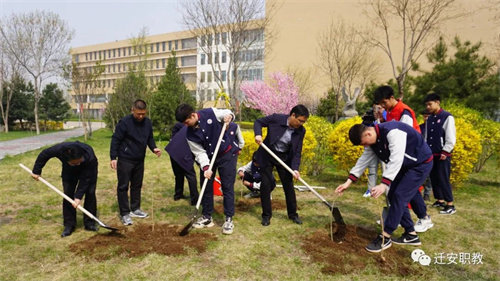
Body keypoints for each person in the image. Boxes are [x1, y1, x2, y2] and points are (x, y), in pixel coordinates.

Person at [336, 122, 433, 253]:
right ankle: (411, 234)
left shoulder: (393, 132)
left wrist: (384, 184)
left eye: (364, 143)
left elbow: (396, 158)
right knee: (394, 195)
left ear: (368, 133)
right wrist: (348, 182)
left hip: (420, 164)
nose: (366, 146)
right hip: (405, 166)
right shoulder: (372, 141)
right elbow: (363, 160)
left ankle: (385, 237)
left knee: (399, 195)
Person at [174, 104, 243, 235]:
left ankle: (228, 219)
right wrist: (206, 167)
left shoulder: (210, 113)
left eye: (186, 121)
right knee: (206, 186)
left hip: (225, 154)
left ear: (193, 115)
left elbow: (226, 113)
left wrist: (229, 116)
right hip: (209, 158)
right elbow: (199, 152)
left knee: (227, 186)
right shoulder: (189, 134)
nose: (186, 125)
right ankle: (207, 217)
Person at [374, 85, 433, 232]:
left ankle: (421, 218)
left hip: (413, 155)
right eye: (380, 104)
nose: (383, 106)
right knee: (405, 189)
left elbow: (403, 137)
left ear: (392, 98)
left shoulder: (404, 112)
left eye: (384, 103)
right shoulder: (390, 112)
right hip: (404, 157)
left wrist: (395, 161)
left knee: (403, 190)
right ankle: (412, 218)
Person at [253, 104, 309, 226]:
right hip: (268, 154)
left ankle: (293, 215)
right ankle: (266, 216)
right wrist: (258, 134)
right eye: (300, 121)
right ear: (293, 115)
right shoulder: (276, 119)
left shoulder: (301, 131)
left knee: (288, 186)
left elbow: (297, 151)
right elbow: (258, 122)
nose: (301, 124)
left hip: (284, 157)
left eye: (303, 122)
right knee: (266, 184)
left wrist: (295, 168)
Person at [110, 99, 161, 226]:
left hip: (139, 159)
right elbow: (116, 139)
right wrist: (113, 157)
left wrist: (153, 147)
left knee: (137, 185)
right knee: (123, 186)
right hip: (125, 159)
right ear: (133, 110)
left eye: (143, 114)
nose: (141, 116)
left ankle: (135, 209)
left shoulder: (147, 123)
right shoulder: (124, 123)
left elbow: (150, 138)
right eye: (138, 114)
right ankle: (125, 213)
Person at [31, 141, 98, 237]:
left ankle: (89, 223)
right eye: (74, 163)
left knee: (90, 192)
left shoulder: (89, 155)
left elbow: (86, 179)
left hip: (89, 169)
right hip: (69, 172)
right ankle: (69, 225)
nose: (77, 164)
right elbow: (44, 154)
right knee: (68, 195)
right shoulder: (59, 149)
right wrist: (36, 170)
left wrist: (78, 197)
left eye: (79, 161)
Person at [424, 93, 457, 215]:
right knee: (434, 178)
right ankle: (440, 200)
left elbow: (451, 136)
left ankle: (450, 204)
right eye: (426, 104)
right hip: (432, 154)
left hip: (443, 154)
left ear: (437, 102)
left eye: (430, 104)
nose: (428, 107)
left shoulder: (447, 117)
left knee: (443, 179)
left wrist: (446, 150)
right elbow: (427, 136)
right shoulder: (430, 118)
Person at [170, 122, 198, 205]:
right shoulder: (184, 126)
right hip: (181, 153)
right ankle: (195, 200)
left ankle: (178, 195)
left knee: (179, 175)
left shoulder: (177, 126)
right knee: (191, 176)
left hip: (173, 152)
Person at [419, 110, 433, 202]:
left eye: (428, 116)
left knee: (430, 175)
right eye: (425, 116)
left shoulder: (434, 128)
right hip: (421, 153)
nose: (426, 118)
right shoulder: (420, 127)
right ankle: (418, 192)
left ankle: (427, 193)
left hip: (431, 153)